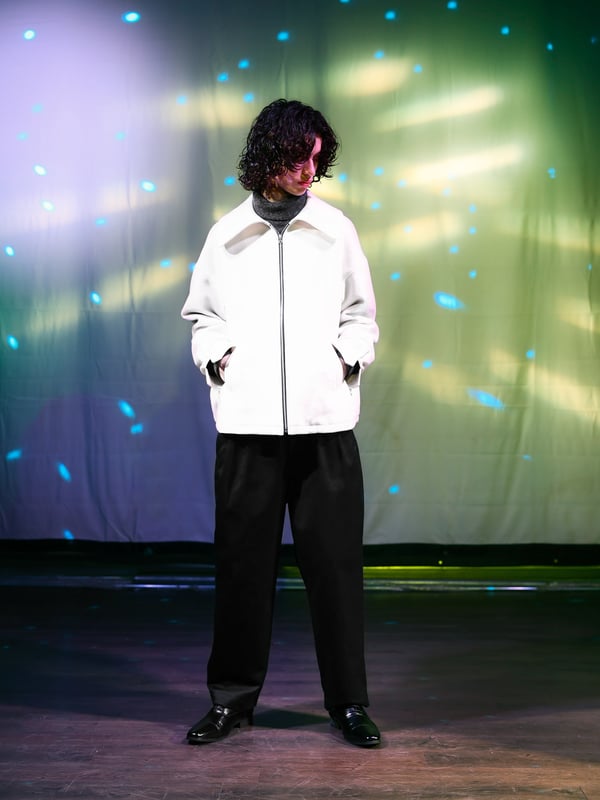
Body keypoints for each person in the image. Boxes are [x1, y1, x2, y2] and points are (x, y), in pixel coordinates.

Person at [180, 99, 380, 748]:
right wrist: (221, 359)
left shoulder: (336, 230)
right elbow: (201, 315)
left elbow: (361, 315)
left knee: (336, 573)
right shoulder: (226, 235)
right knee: (242, 571)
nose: (309, 171)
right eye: (299, 157)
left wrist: (345, 359)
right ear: (269, 154)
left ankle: (349, 704)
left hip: (326, 429)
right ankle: (231, 703)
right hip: (248, 429)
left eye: (317, 159)